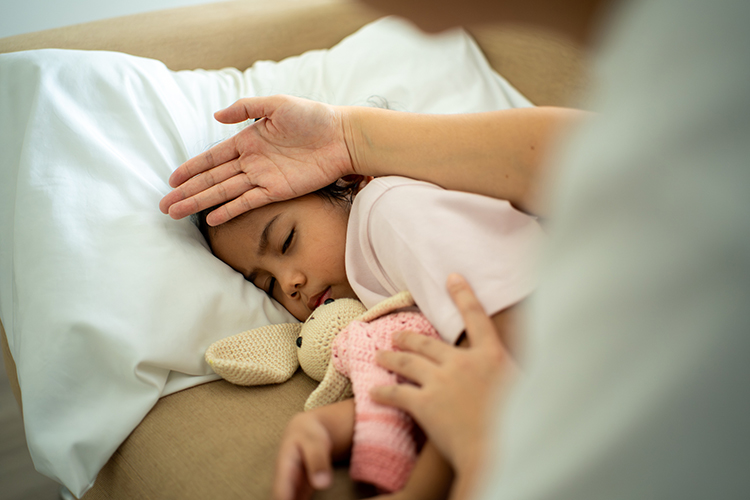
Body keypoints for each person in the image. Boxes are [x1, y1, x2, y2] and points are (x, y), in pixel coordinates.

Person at [161, 0, 750, 499]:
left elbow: (499, 354)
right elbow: (446, 371)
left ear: (350, 182)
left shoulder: (389, 214)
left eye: (286, 242)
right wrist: (346, 424)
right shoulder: (374, 279)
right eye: (264, 283)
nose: (287, 283)